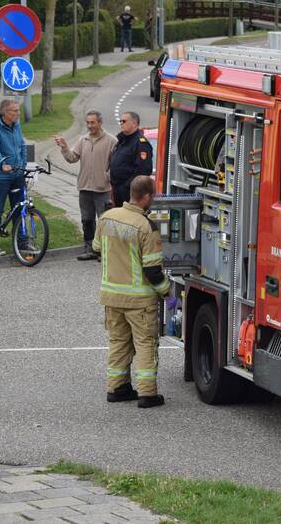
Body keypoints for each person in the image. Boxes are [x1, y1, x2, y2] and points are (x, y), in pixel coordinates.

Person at [93, 175, 169, 408]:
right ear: (146, 197)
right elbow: (153, 271)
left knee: (118, 342)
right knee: (146, 343)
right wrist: (167, 292)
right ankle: (147, 393)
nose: (153, 199)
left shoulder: (107, 218)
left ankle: (117, 388)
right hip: (139, 300)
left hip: (112, 296)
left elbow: (97, 249)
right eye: (153, 195)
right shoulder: (146, 226)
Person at [55, 110, 117, 261]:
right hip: (84, 188)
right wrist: (64, 147)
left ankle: (105, 251)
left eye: (92, 123)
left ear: (100, 123)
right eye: (88, 123)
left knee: (104, 221)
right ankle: (89, 249)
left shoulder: (111, 141)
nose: (90, 126)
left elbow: (116, 165)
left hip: (102, 189)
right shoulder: (83, 140)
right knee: (87, 220)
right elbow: (72, 158)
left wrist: (107, 177)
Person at [0, 99, 28, 256]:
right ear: (5, 113)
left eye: (18, 110)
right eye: (14, 111)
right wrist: (1, 163)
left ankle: (22, 241)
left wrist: (23, 164)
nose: (18, 113)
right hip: (2, 176)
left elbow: (22, 145)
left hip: (17, 173)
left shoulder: (16, 125)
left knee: (20, 209)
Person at [109, 111, 153, 208]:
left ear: (134, 123)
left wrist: (127, 187)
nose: (121, 123)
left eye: (124, 121)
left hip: (130, 192)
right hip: (116, 190)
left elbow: (143, 170)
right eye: (120, 121)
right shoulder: (121, 141)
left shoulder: (141, 143)